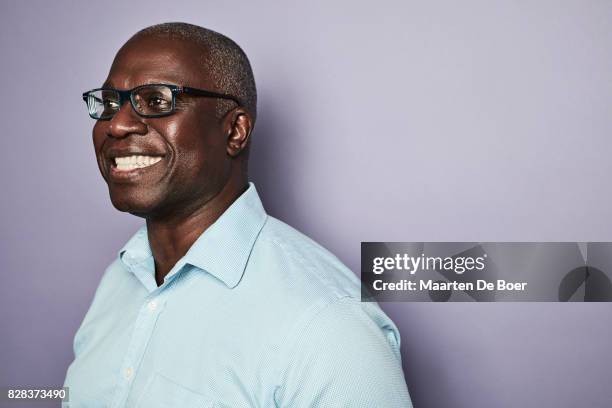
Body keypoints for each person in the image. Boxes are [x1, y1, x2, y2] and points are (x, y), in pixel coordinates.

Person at [64, 22, 413, 408]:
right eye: (111, 103)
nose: (117, 124)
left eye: (157, 100)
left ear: (235, 131)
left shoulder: (328, 326)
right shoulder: (119, 280)